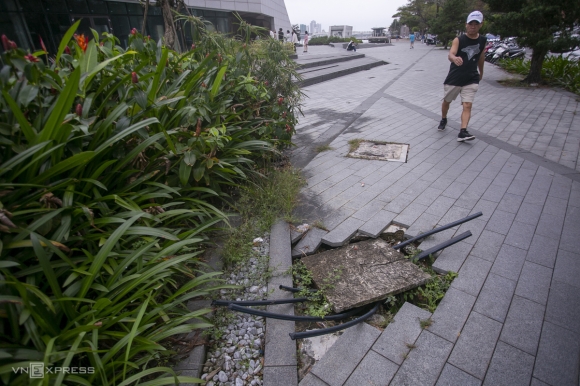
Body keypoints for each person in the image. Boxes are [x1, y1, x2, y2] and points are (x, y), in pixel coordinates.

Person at [438, 10, 487, 142]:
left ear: (481, 25)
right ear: (466, 24)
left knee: (467, 105)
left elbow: (481, 57)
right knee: (446, 101)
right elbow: (451, 54)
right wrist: (454, 58)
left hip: (471, 77)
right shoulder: (459, 40)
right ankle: (443, 118)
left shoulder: (483, 40)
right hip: (455, 77)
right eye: (471, 23)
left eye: (476, 24)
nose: (473, 26)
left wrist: (481, 72)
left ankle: (463, 131)